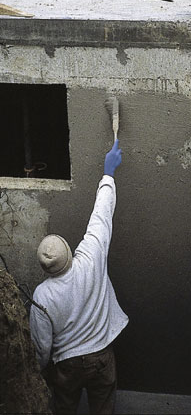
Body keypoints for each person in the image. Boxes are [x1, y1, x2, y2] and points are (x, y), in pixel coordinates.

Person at [30, 140, 128, 415]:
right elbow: (102, 213)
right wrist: (108, 172)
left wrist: (40, 371)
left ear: (45, 269)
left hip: (67, 366)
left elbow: (42, 345)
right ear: (70, 252)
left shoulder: (42, 296)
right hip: (102, 358)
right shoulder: (91, 257)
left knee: (64, 409)